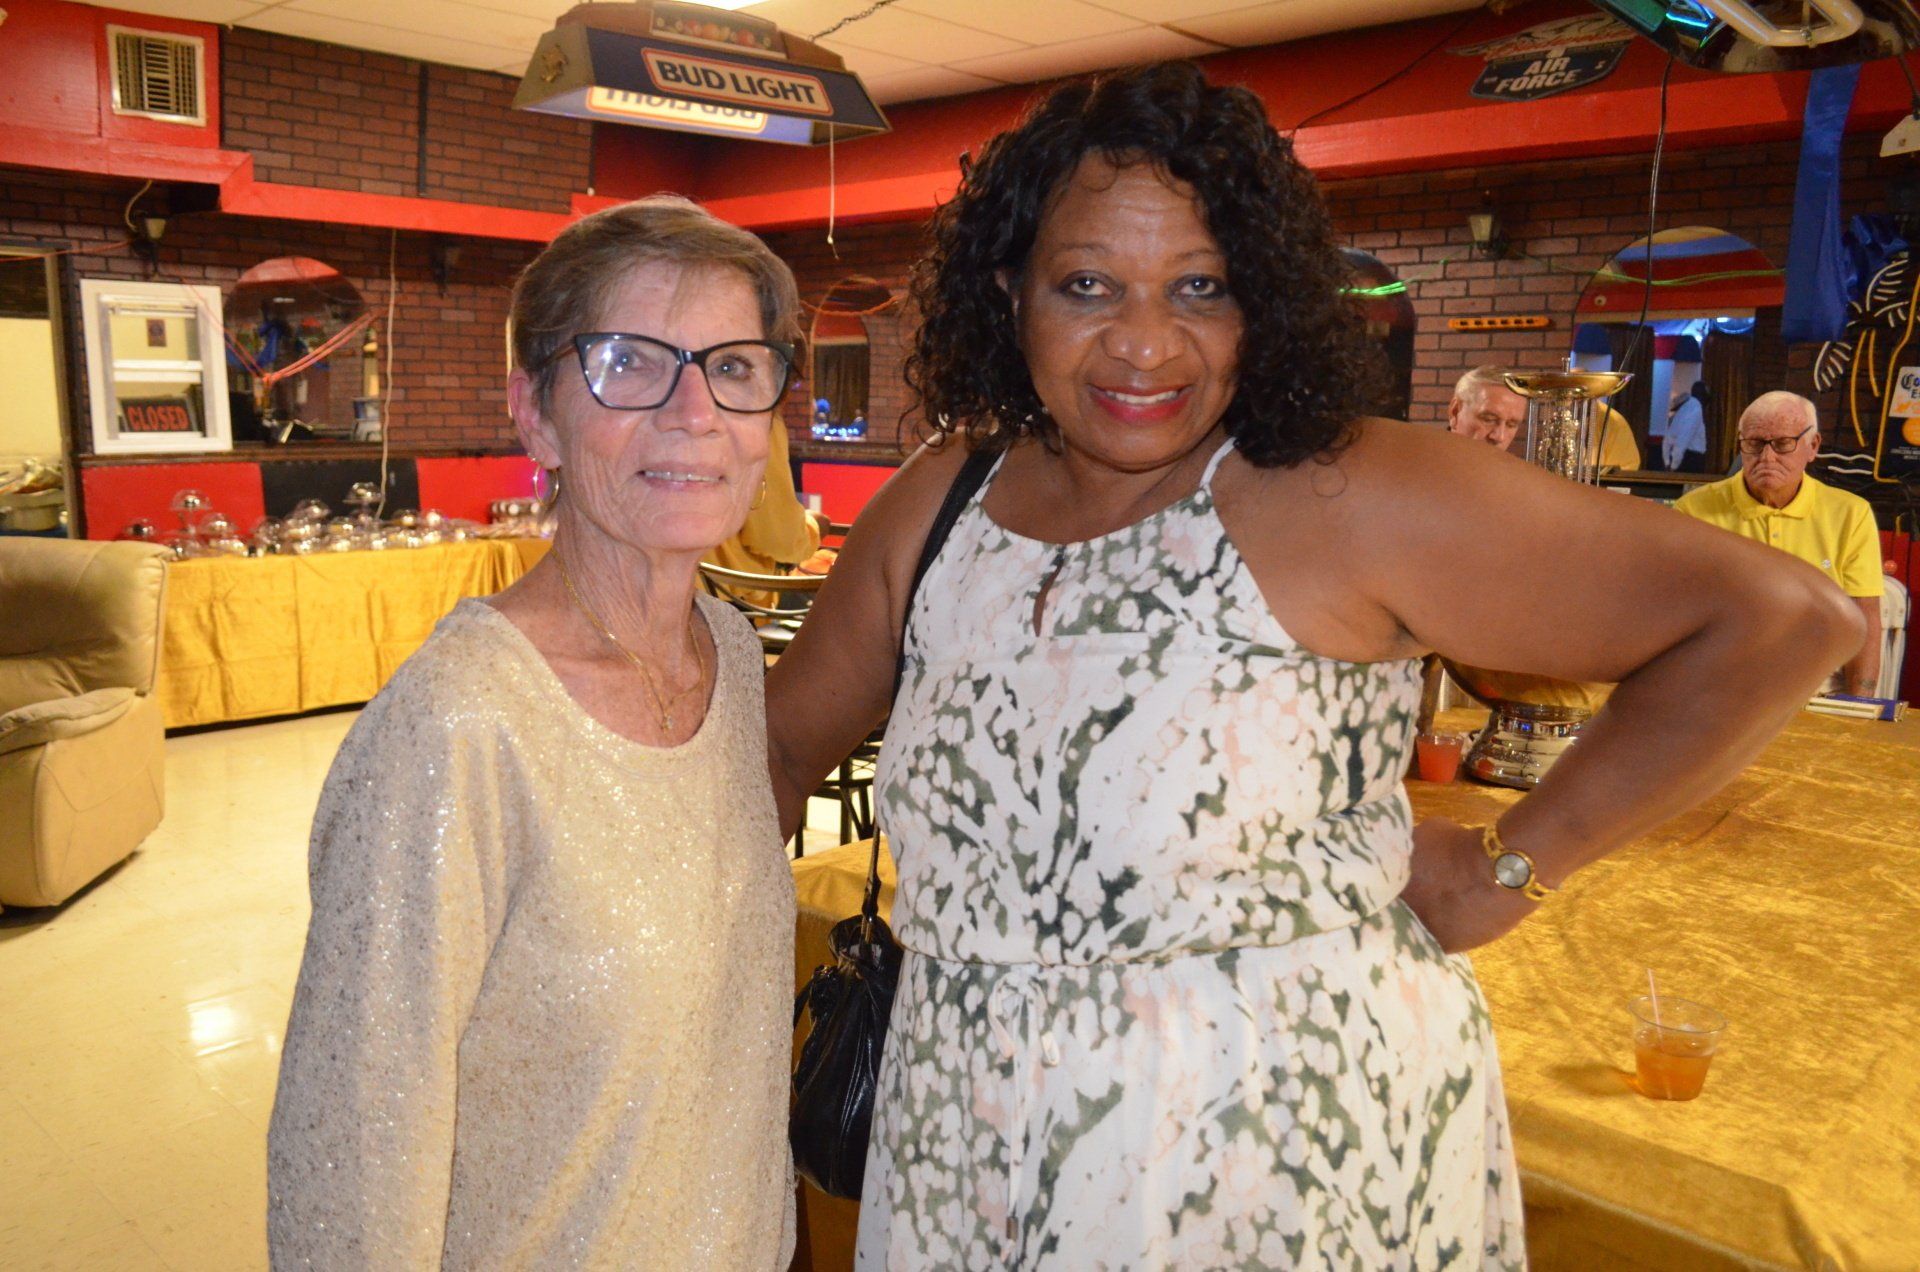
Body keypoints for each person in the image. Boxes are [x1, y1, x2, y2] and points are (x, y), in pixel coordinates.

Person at [765, 63, 1861, 1268]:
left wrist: (1510, 869)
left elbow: (1780, 620)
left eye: (1203, 286)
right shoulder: (947, 499)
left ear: (1264, 299)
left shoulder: (1343, 491)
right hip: (967, 1126)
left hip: (1264, 1144)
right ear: (1008, 291)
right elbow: (774, 751)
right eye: (1086, 284)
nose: (1145, 342)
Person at [269, 197, 799, 1269]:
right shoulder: (459, 727)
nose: (695, 412)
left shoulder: (732, 659)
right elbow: (350, 1175)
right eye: (628, 362)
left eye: (734, 367)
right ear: (536, 414)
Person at [1676, 390, 1885, 695]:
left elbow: (1864, 615)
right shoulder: (1694, 510)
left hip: (1817, 689)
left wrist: (1860, 703)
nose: (1767, 458)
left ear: (1813, 446)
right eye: (1754, 444)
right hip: (1720, 688)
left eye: (1783, 444)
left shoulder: (1850, 514)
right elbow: (1676, 613)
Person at [704, 418, 825, 608]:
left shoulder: (665, 415)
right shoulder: (758, 419)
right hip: (726, 597)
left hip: (669, 591)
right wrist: (813, 529)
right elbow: (778, 539)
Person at [1450, 364, 1641, 470]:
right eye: (1489, 419)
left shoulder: (1515, 484)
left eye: (1511, 424)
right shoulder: (1431, 472)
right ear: (1455, 412)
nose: (1499, 437)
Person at [1664, 379, 1710, 472]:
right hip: (1690, 459)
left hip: (1685, 457)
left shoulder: (1686, 409)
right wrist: (1674, 465)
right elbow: (1683, 439)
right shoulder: (1695, 410)